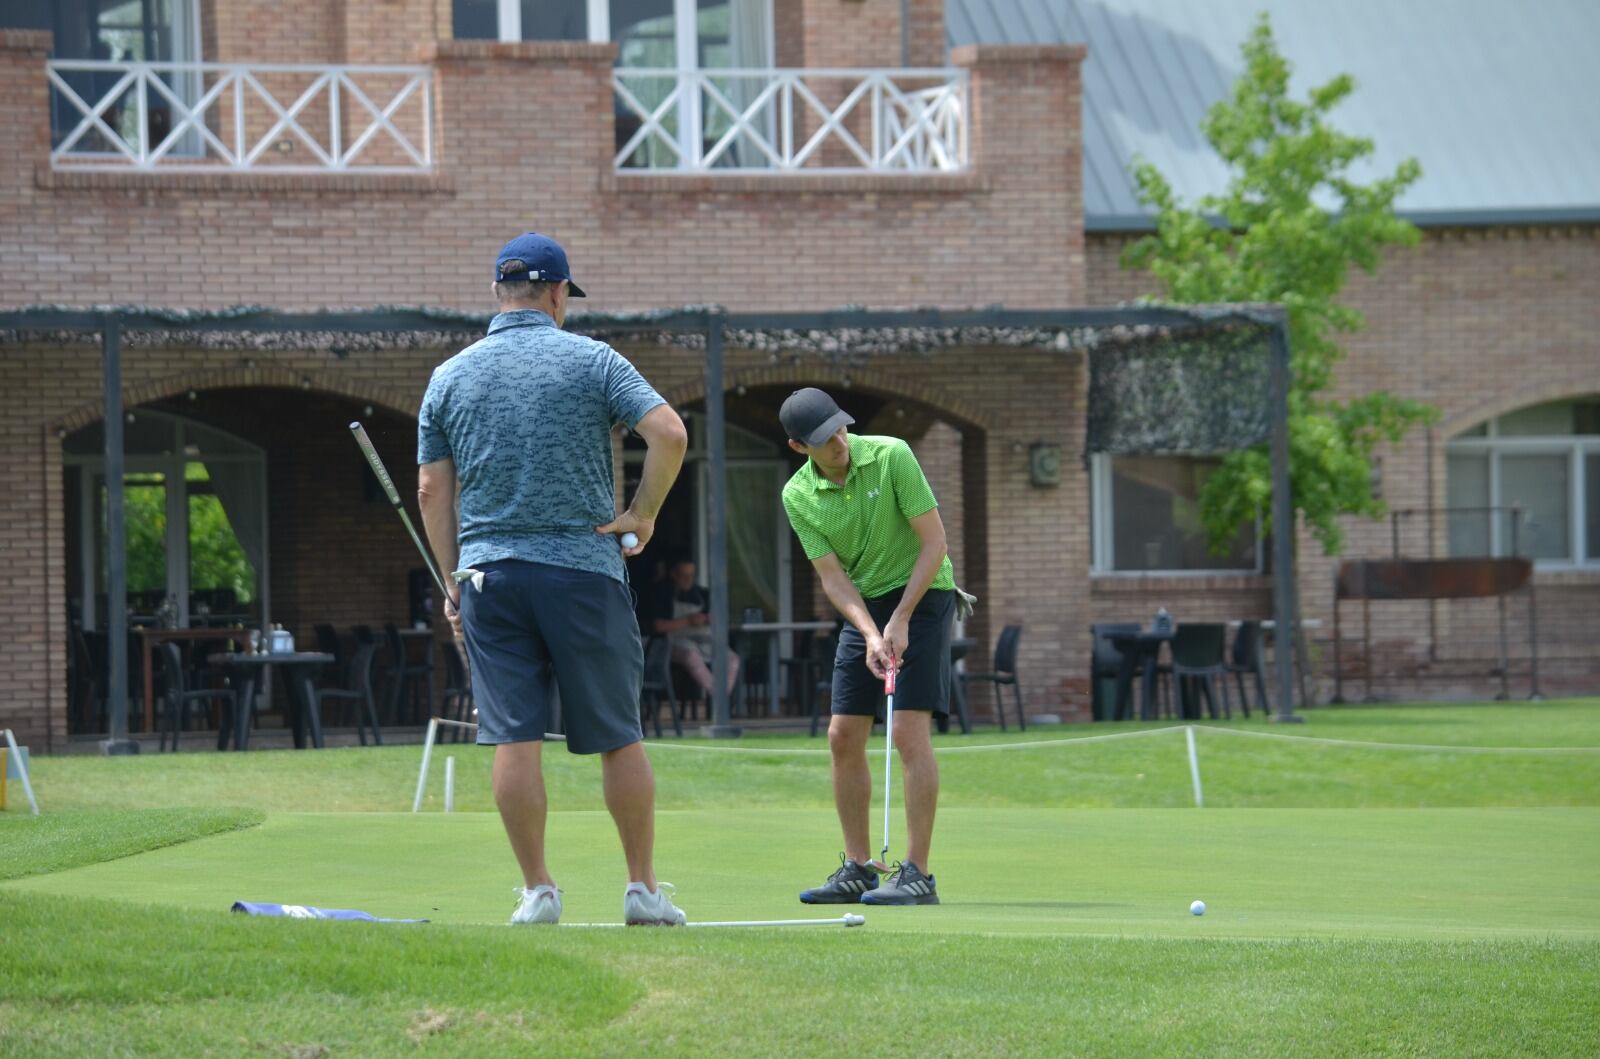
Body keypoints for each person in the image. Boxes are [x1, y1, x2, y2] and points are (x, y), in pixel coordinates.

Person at [417, 232, 690, 927]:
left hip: (490, 574)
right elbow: (669, 432)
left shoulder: (449, 376)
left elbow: (430, 490)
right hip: (582, 570)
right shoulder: (594, 360)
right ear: (559, 293)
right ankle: (640, 888)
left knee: (514, 734)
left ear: (497, 292)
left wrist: (455, 578)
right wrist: (642, 514)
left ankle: (539, 890)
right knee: (618, 733)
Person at [779, 387, 957, 906]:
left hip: (923, 595)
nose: (839, 441)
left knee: (906, 731)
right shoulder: (797, 496)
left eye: (840, 427)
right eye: (824, 438)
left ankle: (919, 874)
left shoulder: (891, 455)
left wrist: (900, 618)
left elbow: (935, 542)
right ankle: (859, 867)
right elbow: (832, 579)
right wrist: (871, 631)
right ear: (798, 447)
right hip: (867, 607)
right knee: (841, 734)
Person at [644, 556, 740, 699]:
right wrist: (688, 620)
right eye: (684, 575)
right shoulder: (663, 594)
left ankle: (724, 694)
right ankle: (718, 695)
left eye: (691, 575)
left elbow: (721, 619)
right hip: (674, 642)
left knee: (732, 659)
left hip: (705, 640)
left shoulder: (703, 594)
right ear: (673, 575)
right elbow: (658, 627)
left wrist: (712, 619)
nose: (688, 579)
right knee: (691, 656)